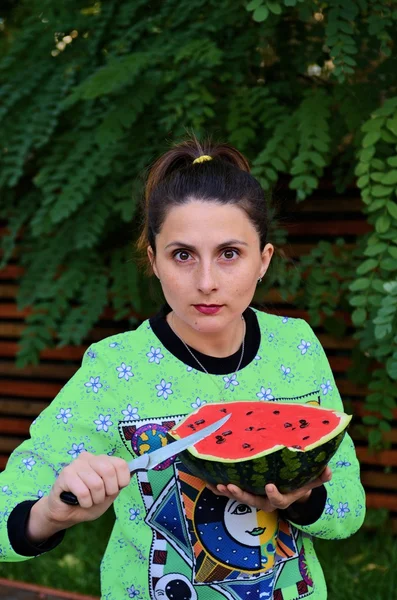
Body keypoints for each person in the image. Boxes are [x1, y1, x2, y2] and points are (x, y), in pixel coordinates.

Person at [0, 138, 365, 600]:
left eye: (230, 253)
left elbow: (349, 509)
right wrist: (50, 513)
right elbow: (5, 512)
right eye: (183, 255)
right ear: (153, 261)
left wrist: (306, 497)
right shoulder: (114, 368)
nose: (207, 282)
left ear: (263, 260)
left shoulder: (296, 348)